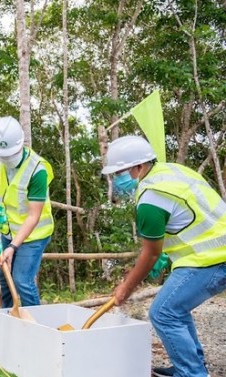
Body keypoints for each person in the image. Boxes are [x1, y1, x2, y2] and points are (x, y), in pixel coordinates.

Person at [101, 135, 226, 377]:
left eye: (120, 173)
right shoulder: (172, 171)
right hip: (212, 253)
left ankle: (192, 373)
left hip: (211, 259)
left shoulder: (150, 198)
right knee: (176, 307)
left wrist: (126, 288)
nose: (117, 179)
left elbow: (150, 253)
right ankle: (189, 365)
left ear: (139, 166)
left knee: (163, 312)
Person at [0, 116, 54, 308]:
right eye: (3, 155)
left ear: (21, 145)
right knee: (4, 275)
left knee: (21, 280)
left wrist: (13, 247)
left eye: (10, 154)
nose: (7, 159)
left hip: (34, 235)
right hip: (8, 230)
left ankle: (36, 326)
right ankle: (8, 319)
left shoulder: (37, 170)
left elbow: (33, 216)